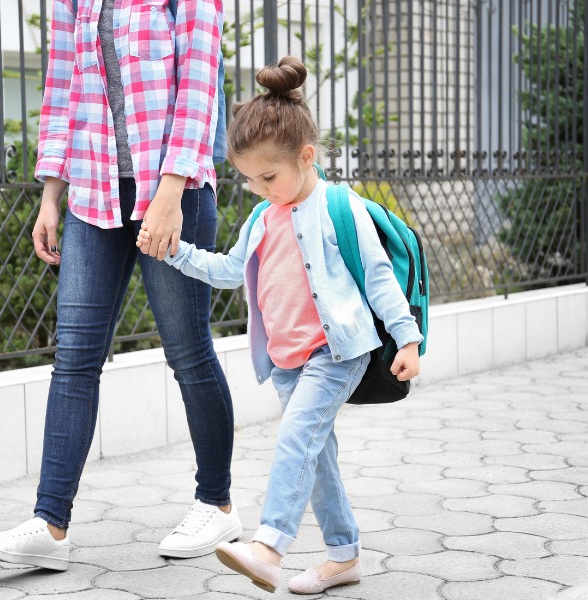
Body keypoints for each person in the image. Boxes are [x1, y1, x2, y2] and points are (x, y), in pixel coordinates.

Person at [0, 0, 241, 570]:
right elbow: (61, 89)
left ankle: (217, 503)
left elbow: (197, 86)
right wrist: (49, 194)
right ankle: (49, 524)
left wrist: (169, 194)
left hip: (174, 192)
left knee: (188, 353)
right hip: (93, 193)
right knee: (74, 358)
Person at [136, 56, 423, 594]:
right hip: (287, 362)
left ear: (306, 156)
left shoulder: (341, 206)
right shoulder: (263, 216)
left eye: (269, 176)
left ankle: (268, 548)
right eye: (250, 181)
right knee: (316, 461)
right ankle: (344, 556)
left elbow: (381, 277)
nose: (261, 188)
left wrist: (407, 336)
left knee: (295, 440)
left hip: (335, 353)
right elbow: (226, 272)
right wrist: (176, 254)